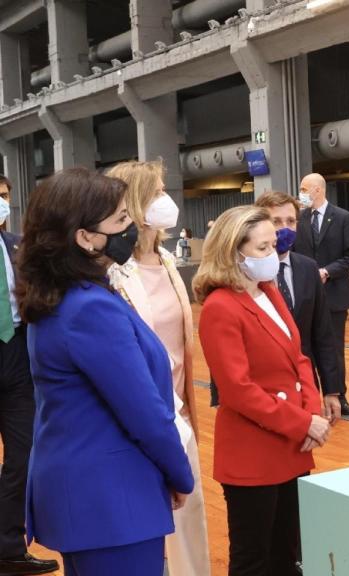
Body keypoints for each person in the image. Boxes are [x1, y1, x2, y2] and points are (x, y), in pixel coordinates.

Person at [18, 168, 193, 576]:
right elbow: (144, 412)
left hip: (86, 495)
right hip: (112, 500)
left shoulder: (61, 296)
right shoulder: (90, 308)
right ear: (85, 237)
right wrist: (179, 473)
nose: (131, 227)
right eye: (120, 220)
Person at [195, 205, 329, 576]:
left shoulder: (268, 291)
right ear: (233, 253)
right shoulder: (221, 307)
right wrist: (302, 423)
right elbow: (238, 390)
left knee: (288, 554)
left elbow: (299, 357)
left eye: (273, 245)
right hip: (254, 452)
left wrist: (312, 412)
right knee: (253, 559)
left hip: (291, 446)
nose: (273, 254)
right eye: (262, 248)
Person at [104, 160, 211, 576]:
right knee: (149, 532)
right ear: (133, 202)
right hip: (141, 419)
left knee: (189, 525)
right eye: (158, 191)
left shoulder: (166, 259)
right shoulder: (113, 272)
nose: (167, 199)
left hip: (179, 412)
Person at [0, 175, 59, 576]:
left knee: (23, 456)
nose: (1, 202)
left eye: (4, 195)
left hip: (17, 355)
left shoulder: (18, 246)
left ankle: (9, 548)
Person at [254, 191, 346, 424]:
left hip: (304, 385)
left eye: (291, 221)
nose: (285, 228)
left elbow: (322, 334)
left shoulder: (308, 268)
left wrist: (332, 390)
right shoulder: (247, 273)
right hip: (263, 390)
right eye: (276, 221)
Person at [293, 173, 349, 417]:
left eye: (304, 189)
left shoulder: (343, 217)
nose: (301, 193)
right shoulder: (299, 219)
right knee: (305, 348)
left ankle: (339, 396)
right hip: (304, 296)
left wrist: (327, 271)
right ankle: (310, 398)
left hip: (334, 295)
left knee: (334, 349)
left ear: (318, 189)